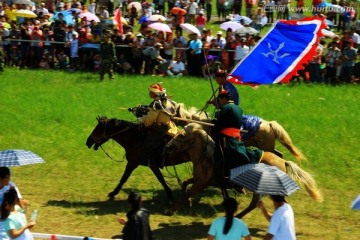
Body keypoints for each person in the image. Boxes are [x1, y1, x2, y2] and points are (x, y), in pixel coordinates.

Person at [210, 90, 263, 179]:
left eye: (220, 100)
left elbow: (220, 124)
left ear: (224, 99)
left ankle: (220, 174)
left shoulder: (226, 108)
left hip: (226, 138)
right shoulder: (239, 108)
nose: (220, 103)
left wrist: (212, 131)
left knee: (217, 154)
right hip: (236, 136)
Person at [140, 83, 178, 167]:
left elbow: (149, 121)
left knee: (148, 143)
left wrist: (141, 118)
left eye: (151, 92)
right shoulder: (167, 101)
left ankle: (154, 162)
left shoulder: (156, 103)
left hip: (161, 129)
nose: (149, 93)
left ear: (155, 94)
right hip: (170, 125)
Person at [0, 167, 29, 240]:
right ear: (2, 178)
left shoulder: (11, 186)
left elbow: (19, 201)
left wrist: (23, 214)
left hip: (8, 219)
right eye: (8, 177)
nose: (9, 179)